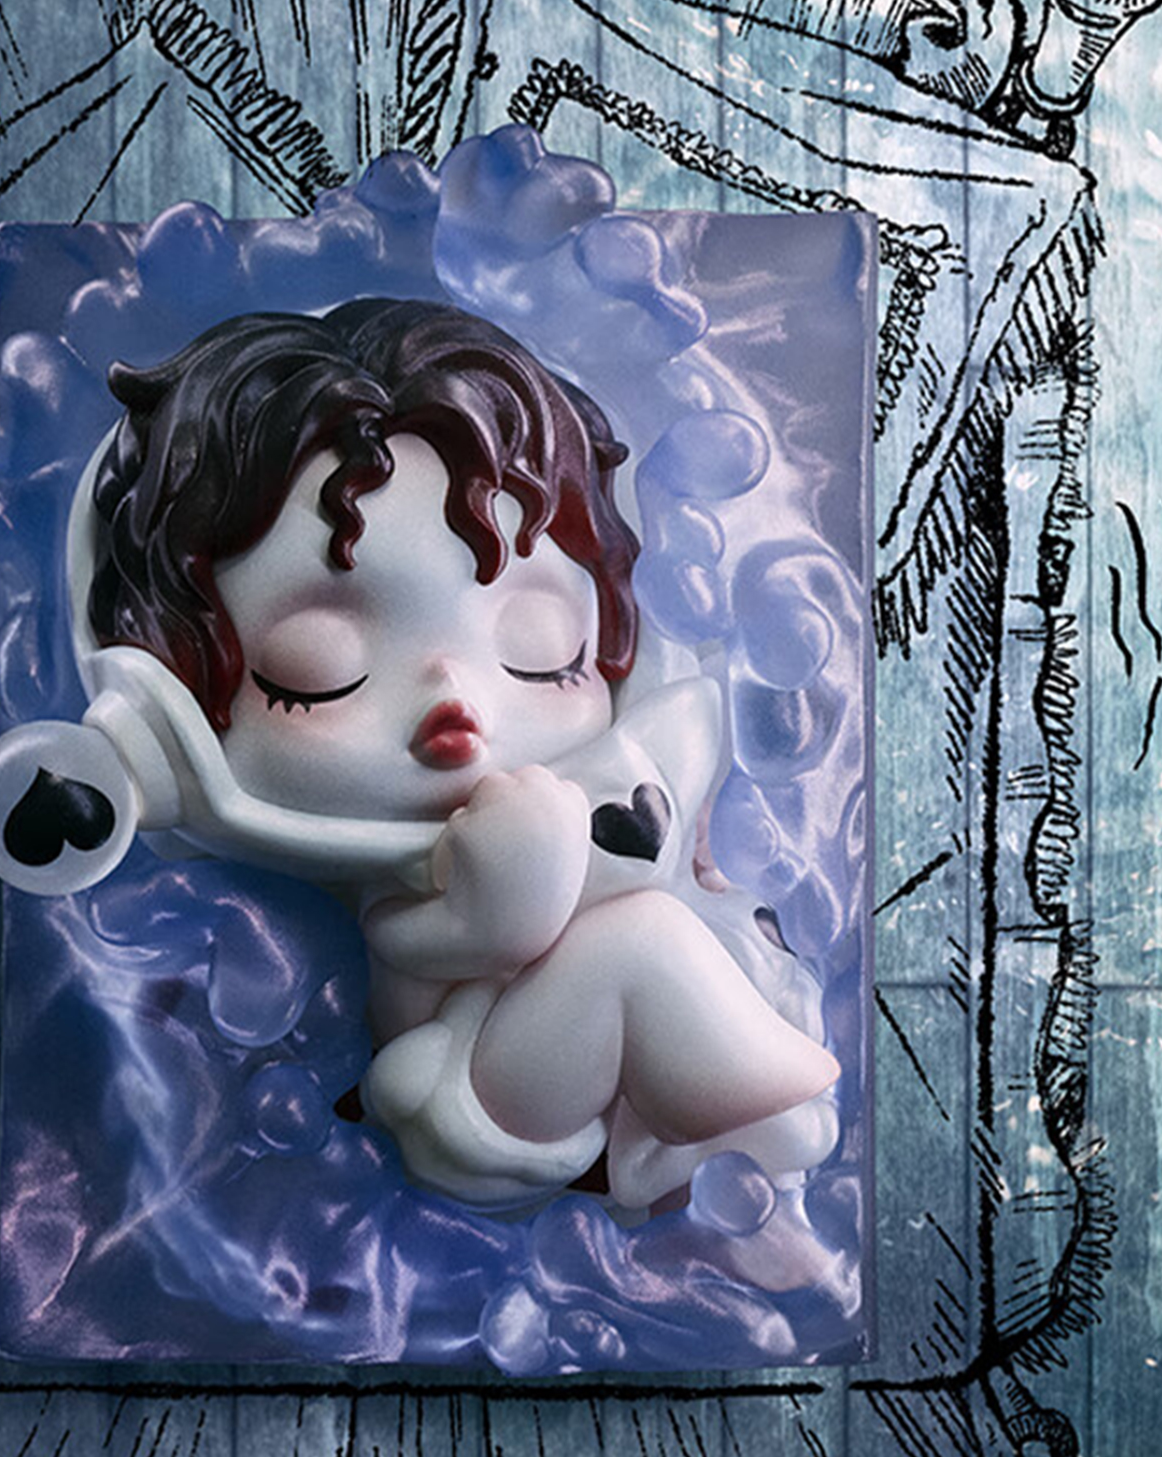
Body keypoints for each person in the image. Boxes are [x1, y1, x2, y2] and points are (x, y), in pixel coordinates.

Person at [82, 296, 839, 1212]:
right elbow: (447, 942)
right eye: (319, 669)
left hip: (597, 1084)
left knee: (656, 937)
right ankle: (776, 1121)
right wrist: (506, 901)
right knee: (637, 944)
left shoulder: (645, 748)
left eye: (541, 648)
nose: (460, 702)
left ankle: (737, 1130)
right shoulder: (392, 890)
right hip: (474, 1093)